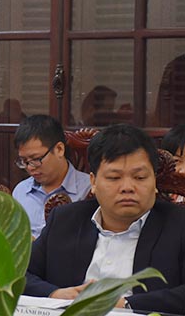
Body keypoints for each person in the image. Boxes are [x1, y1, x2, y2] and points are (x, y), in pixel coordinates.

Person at [25, 124, 185, 314]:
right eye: (114, 178)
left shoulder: (179, 225)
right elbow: (20, 274)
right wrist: (56, 294)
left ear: (154, 181)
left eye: (140, 177)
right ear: (93, 182)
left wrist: (126, 304)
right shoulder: (65, 220)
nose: (127, 187)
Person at [12, 115, 90, 238]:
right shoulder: (21, 191)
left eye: (36, 159)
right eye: (24, 161)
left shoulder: (89, 189)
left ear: (59, 149)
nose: (30, 168)